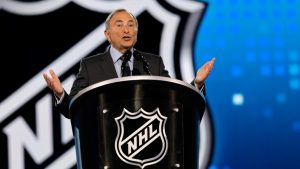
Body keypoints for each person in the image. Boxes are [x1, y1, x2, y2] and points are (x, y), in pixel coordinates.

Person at [43, 8, 215, 119]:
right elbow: (74, 109)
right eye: (119, 25)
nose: (126, 30)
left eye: (131, 25)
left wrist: (197, 83)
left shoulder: (153, 63)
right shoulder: (91, 66)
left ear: (136, 32)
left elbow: (174, 102)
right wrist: (61, 94)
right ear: (107, 34)